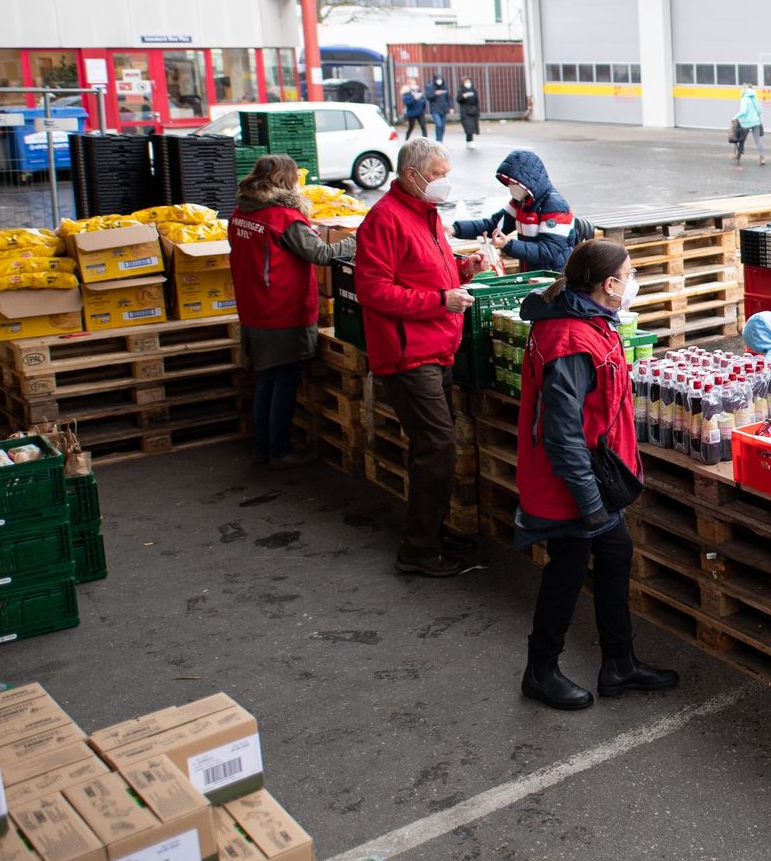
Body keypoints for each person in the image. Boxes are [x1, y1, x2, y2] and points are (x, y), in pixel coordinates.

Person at [514, 239, 678, 709]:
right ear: (608, 284)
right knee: (566, 571)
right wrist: (588, 502)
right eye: (628, 276)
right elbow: (563, 435)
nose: (631, 284)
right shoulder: (569, 339)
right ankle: (540, 671)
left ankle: (619, 665)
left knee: (615, 554)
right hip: (574, 486)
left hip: (596, 480)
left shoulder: (591, 320)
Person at [354, 138, 483, 578]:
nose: (445, 182)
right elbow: (372, 290)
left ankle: (429, 530)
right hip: (409, 354)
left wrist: (464, 270)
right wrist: (438, 301)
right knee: (438, 447)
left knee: (433, 448)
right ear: (413, 175)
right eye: (439, 174)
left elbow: (427, 270)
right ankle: (418, 549)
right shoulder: (385, 219)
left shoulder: (425, 215)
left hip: (436, 347)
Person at [229, 154, 355, 470]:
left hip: (255, 306)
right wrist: (359, 239)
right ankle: (280, 452)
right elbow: (323, 254)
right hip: (282, 310)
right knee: (284, 381)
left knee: (267, 380)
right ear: (287, 181)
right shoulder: (282, 217)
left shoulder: (241, 212)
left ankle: (262, 448)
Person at [451, 150, 574, 272]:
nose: (511, 186)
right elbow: (494, 226)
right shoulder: (521, 201)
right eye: (509, 182)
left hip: (554, 278)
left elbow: (547, 251)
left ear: (528, 181)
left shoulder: (555, 205)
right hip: (531, 275)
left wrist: (508, 245)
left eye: (514, 182)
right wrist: (455, 229)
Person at [731, 84, 765, 165]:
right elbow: (760, 111)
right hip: (756, 122)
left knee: (742, 140)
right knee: (758, 140)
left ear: (745, 90)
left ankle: (738, 157)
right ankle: (762, 158)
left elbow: (743, 111)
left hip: (746, 123)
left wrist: (734, 117)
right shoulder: (755, 98)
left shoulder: (745, 99)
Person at [456, 78, 481, 147]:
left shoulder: (473, 90)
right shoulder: (461, 90)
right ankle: (470, 141)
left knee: (473, 126)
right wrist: (463, 97)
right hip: (465, 111)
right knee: (468, 126)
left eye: (469, 82)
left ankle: (469, 140)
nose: (468, 83)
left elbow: (477, 101)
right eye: (466, 82)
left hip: (473, 110)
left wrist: (478, 110)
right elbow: (458, 99)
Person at [427, 76, 452, 142]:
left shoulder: (445, 88)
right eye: (438, 79)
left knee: (443, 126)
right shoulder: (431, 88)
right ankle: (438, 139)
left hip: (444, 109)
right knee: (438, 124)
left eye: (440, 79)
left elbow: (448, 98)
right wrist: (434, 93)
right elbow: (428, 97)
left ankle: (440, 139)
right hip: (435, 109)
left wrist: (451, 107)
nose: (439, 81)